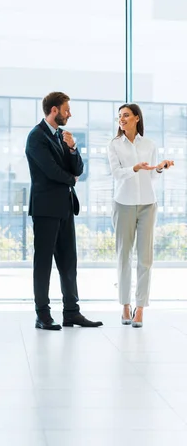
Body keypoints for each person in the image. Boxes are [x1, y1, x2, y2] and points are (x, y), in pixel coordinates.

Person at [25, 91, 103, 330]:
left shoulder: (62, 136)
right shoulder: (36, 137)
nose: (70, 113)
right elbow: (50, 171)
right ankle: (42, 314)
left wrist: (72, 148)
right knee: (44, 264)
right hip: (46, 209)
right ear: (54, 110)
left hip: (65, 207)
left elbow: (78, 168)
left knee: (69, 261)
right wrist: (71, 178)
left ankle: (71, 312)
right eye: (67, 109)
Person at [107, 103, 174, 328]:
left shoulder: (150, 144)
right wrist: (134, 168)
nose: (122, 119)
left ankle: (140, 308)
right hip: (123, 203)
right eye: (119, 117)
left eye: (126, 115)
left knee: (145, 259)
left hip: (147, 204)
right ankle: (125, 305)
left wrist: (160, 167)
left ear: (137, 118)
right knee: (124, 256)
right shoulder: (114, 145)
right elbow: (116, 174)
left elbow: (152, 177)